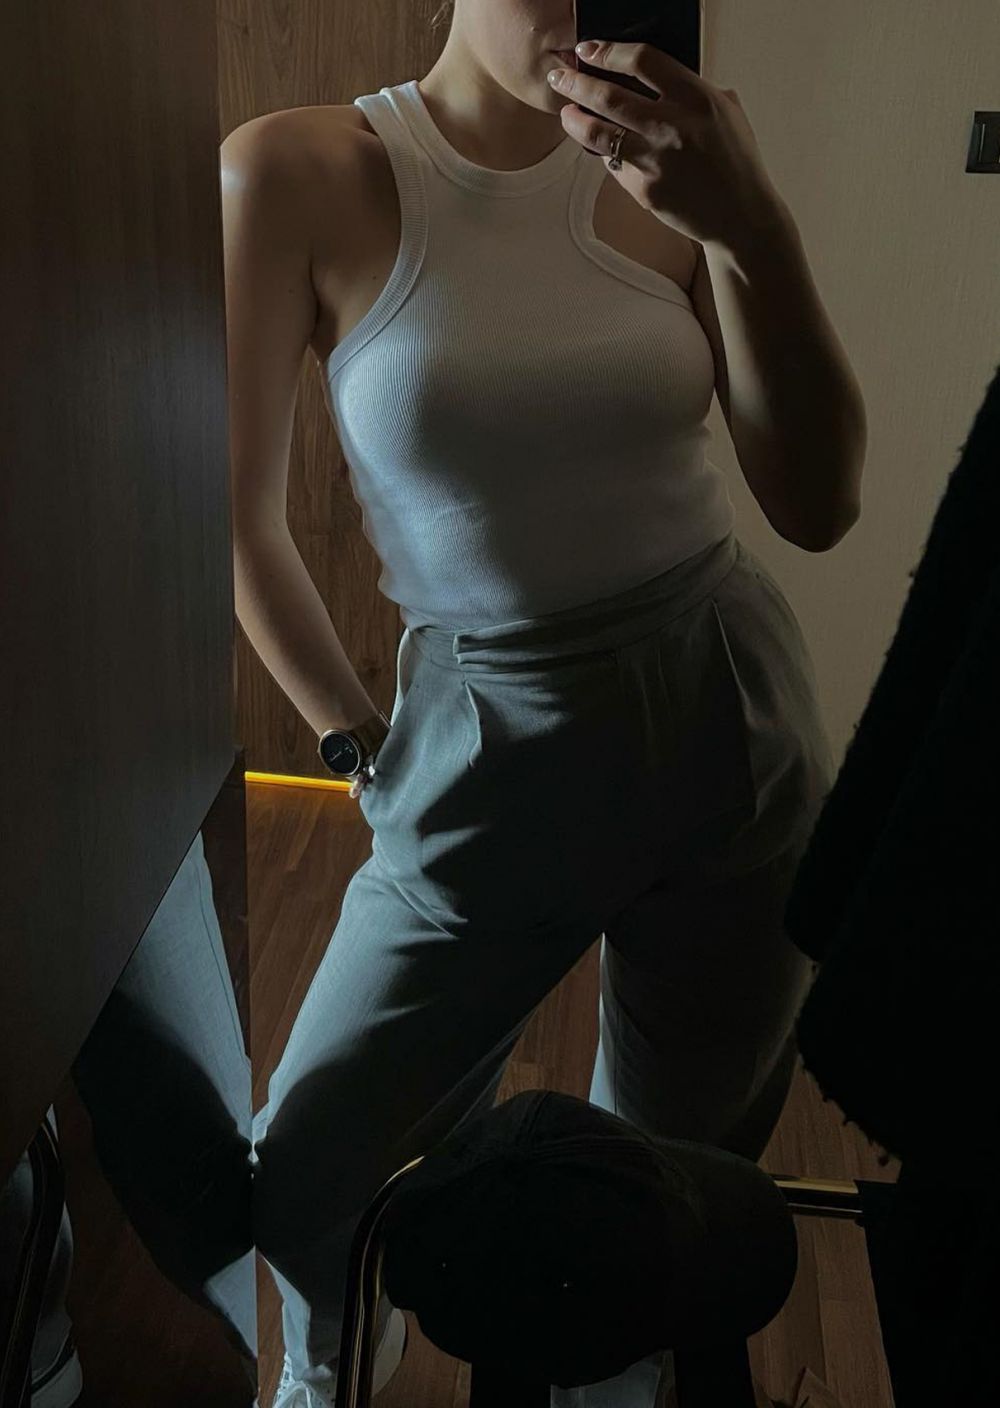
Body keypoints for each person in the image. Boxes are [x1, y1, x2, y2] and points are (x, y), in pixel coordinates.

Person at [222, 2, 867, 1405]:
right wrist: (354, 743)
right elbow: (242, 523)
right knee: (309, 1164)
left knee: (663, 1179)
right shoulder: (295, 170)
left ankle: (614, 1386)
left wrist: (749, 228)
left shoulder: (695, 162)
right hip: (483, 725)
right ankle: (330, 1360)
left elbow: (819, 505)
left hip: (725, 705)